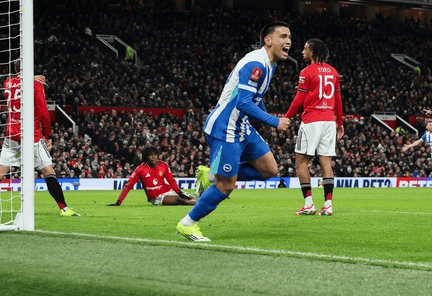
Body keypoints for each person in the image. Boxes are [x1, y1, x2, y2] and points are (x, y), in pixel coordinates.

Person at [176, 21, 292, 241]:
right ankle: (187, 224)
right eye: (283, 36)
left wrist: (265, 119)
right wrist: (274, 121)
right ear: (268, 40)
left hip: (242, 126)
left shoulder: (270, 65)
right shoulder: (256, 63)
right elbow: (243, 102)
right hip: (225, 127)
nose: (288, 42)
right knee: (226, 185)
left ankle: (210, 174)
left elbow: (256, 97)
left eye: (290, 37)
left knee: (269, 170)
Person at [0, 62, 79, 219]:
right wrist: (48, 135)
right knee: (48, 172)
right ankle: (64, 208)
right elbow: (44, 112)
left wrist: (29, 77)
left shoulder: (8, 83)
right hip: (32, 136)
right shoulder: (35, 84)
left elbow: (17, 81)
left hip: (11, 136)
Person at [284, 38, 343, 216]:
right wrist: (340, 123)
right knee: (326, 162)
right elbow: (338, 100)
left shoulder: (307, 71)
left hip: (312, 120)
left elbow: (299, 100)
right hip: (329, 121)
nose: (303, 52)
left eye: (305, 49)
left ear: (313, 52)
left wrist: (286, 118)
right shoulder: (333, 71)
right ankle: (328, 205)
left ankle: (309, 204)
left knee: (301, 162)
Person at [107, 146, 196, 206]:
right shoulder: (140, 169)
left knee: (190, 198)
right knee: (180, 200)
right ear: (146, 157)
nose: (153, 157)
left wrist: (179, 192)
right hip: (156, 197)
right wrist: (119, 202)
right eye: (150, 155)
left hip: (168, 190)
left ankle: (201, 204)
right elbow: (128, 185)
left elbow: (171, 181)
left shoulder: (163, 165)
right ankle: (202, 206)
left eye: (155, 155)